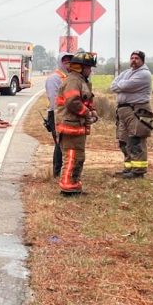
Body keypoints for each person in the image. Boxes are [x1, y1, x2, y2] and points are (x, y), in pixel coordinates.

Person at [55, 51, 99, 196]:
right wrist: (87, 113)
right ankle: (68, 188)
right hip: (70, 127)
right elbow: (72, 102)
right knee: (73, 157)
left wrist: (92, 110)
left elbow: (85, 99)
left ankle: (73, 186)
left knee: (77, 157)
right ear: (81, 67)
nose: (90, 70)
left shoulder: (81, 81)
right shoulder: (73, 81)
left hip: (76, 126)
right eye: (89, 67)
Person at [109, 50, 153, 179]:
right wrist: (120, 85)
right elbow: (113, 86)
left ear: (142, 61)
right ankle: (128, 168)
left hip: (137, 110)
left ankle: (138, 171)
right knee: (123, 140)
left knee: (136, 140)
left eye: (137, 58)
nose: (133, 60)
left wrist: (121, 85)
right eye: (132, 58)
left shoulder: (144, 74)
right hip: (124, 111)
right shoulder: (127, 72)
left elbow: (124, 86)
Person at [44, 52, 73, 177]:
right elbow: (53, 99)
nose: (68, 64)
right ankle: (57, 172)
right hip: (57, 113)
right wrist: (59, 116)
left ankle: (65, 170)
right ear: (60, 62)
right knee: (59, 142)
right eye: (65, 61)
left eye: (70, 61)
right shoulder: (54, 78)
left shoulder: (70, 77)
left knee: (66, 142)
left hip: (68, 113)